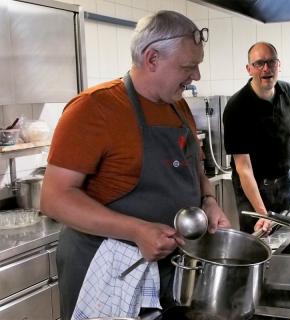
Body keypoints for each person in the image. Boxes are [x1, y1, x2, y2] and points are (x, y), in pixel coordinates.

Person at [40, 10, 230, 319]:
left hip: (167, 273)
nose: (196, 76)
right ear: (152, 58)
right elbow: (54, 198)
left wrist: (208, 201)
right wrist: (135, 230)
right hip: (107, 274)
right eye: (188, 66)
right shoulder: (94, 109)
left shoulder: (177, 105)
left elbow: (195, 169)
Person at [223, 41, 290, 234]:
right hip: (253, 189)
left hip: (285, 182)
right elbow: (244, 169)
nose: (266, 68)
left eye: (271, 62)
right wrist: (262, 213)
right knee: (258, 243)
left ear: (279, 65)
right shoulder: (237, 107)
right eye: (259, 63)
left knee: (287, 238)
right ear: (249, 69)